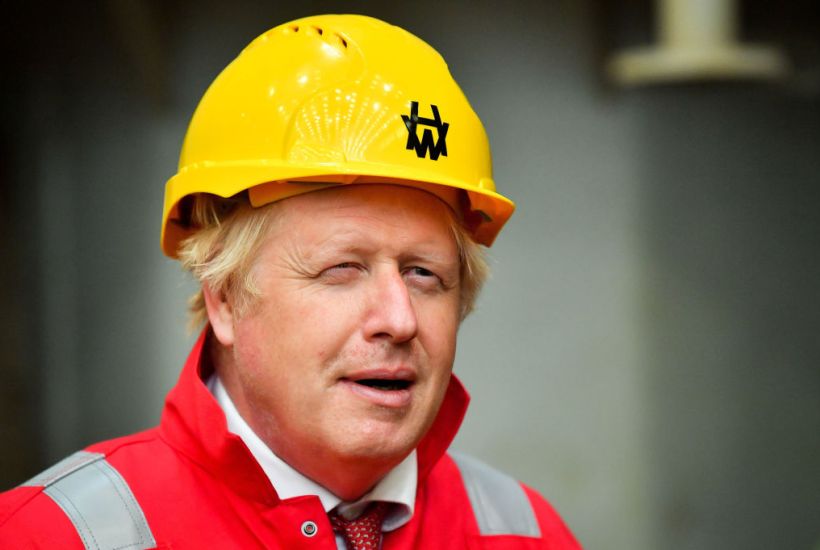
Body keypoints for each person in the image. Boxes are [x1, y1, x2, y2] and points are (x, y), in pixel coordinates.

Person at [0, 14, 580, 549]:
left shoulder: (524, 533)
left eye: (424, 274)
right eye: (342, 269)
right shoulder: (51, 535)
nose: (399, 319)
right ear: (225, 298)